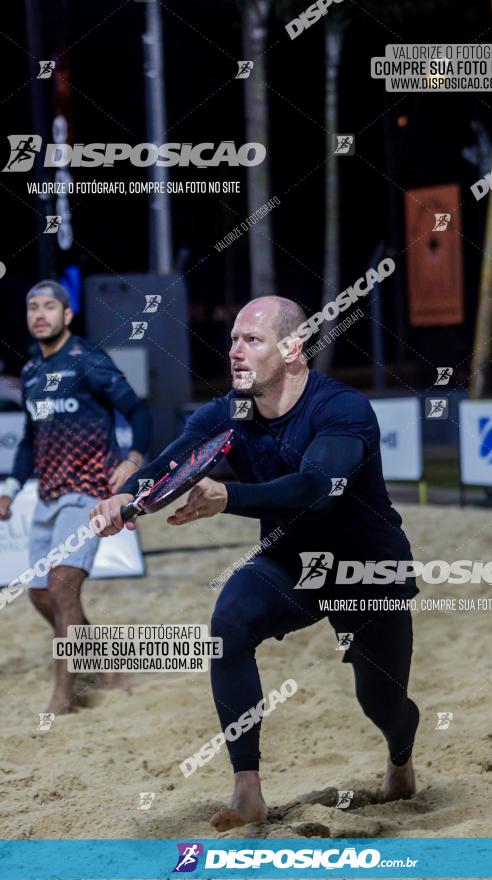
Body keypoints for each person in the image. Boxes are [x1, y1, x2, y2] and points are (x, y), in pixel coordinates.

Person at [92, 296, 419, 830]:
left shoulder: (342, 409)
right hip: (293, 563)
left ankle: (401, 754)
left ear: (293, 349)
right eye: (233, 339)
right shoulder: (231, 411)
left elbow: (319, 490)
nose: (235, 351)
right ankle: (248, 791)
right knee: (229, 624)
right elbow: (175, 460)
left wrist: (230, 498)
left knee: (382, 703)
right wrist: (125, 500)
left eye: (252, 340)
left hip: (366, 569)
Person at [0, 280, 151, 714]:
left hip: (86, 494)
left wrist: (134, 458)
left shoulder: (89, 360)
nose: (40, 314)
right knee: (41, 595)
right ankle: (106, 664)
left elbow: (138, 410)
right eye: (33, 307)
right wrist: (10, 489)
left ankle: (63, 698)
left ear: (67, 316)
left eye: (50, 306)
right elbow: (30, 439)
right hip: (45, 496)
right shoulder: (30, 372)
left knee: (64, 586)